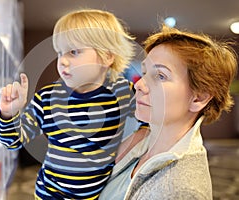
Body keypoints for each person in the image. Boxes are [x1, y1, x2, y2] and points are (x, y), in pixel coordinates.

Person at [0, 9, 148, 200]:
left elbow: (151, 115)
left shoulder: (123, 92)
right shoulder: (47, 99)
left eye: (74, 52)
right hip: (49, 195)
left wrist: (141, 134)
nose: (63, 61)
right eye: (60, 53)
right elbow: (12, 141)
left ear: (107, 57)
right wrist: (8, 113)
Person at [99, 25, 238, 199]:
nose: (139, 84)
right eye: (144, 73)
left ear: (198, 98)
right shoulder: (141, 140)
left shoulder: (181, 190)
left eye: (160, 76)